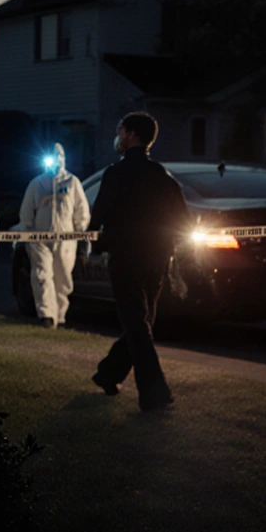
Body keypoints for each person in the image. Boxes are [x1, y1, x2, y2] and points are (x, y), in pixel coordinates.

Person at [89, 112, 190, 413]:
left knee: (137, 324)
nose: (118, 137)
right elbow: (182, 219)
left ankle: (152, 393)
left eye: (120, 131)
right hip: (157, 260)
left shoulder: (115, 174)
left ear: (131, 135)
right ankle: (110, 374)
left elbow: (98, 218)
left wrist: (97, 243)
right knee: (142, 323)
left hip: (126, 260)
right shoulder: (162, 176)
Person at [19, 142, 89, 328]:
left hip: (66, 240)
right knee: (42, 275)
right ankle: (46, 315)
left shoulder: (72, 183)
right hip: (40, 240)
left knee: (62, 278)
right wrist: (27, 235)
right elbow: (27, 212)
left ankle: (60, 315)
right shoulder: (37, 184)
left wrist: (81, 235)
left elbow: (82, 211)